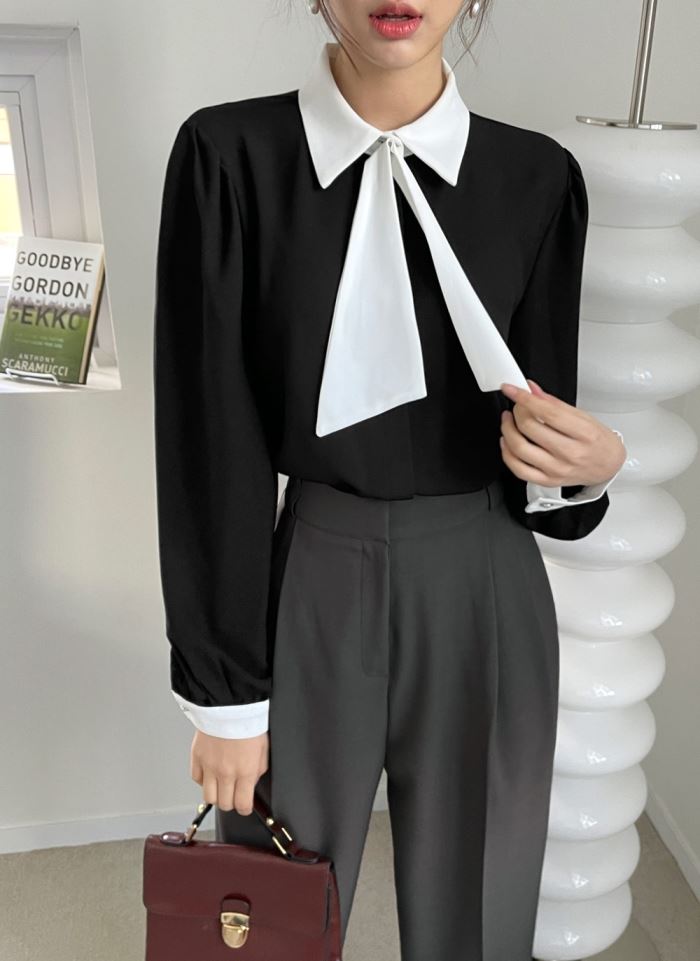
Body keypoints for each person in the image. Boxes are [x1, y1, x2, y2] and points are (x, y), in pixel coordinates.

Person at [152, 2, 627, 957]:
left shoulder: (537, 177)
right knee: (266, 918)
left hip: (487, 581)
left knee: (477, 915)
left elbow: (537, 430)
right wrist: (225, 695)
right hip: (313, 580)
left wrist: (590, 470)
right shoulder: (229, 158)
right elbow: (209, 440)